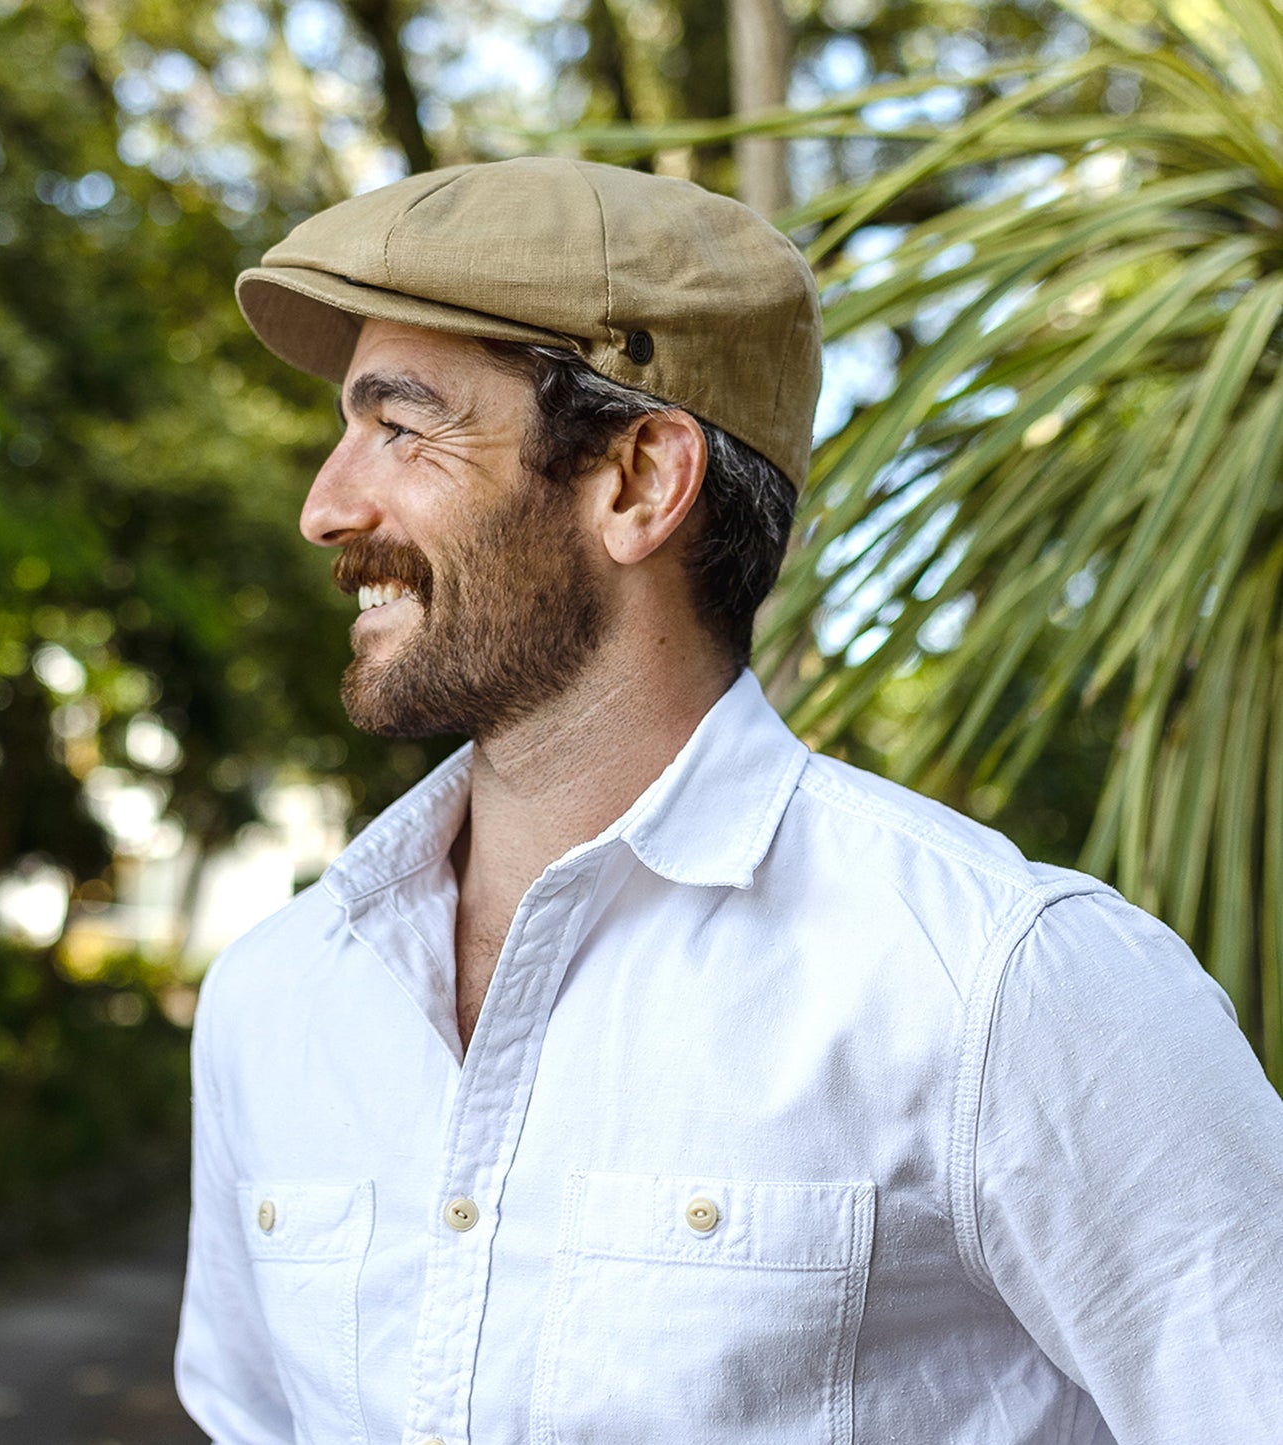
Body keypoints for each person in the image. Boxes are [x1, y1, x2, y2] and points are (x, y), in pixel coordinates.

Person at [175, 157, 1283, 1445]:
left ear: (639, 481)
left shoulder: (1007, 987)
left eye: (403, 427)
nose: (325, 506)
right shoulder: (276, 997)